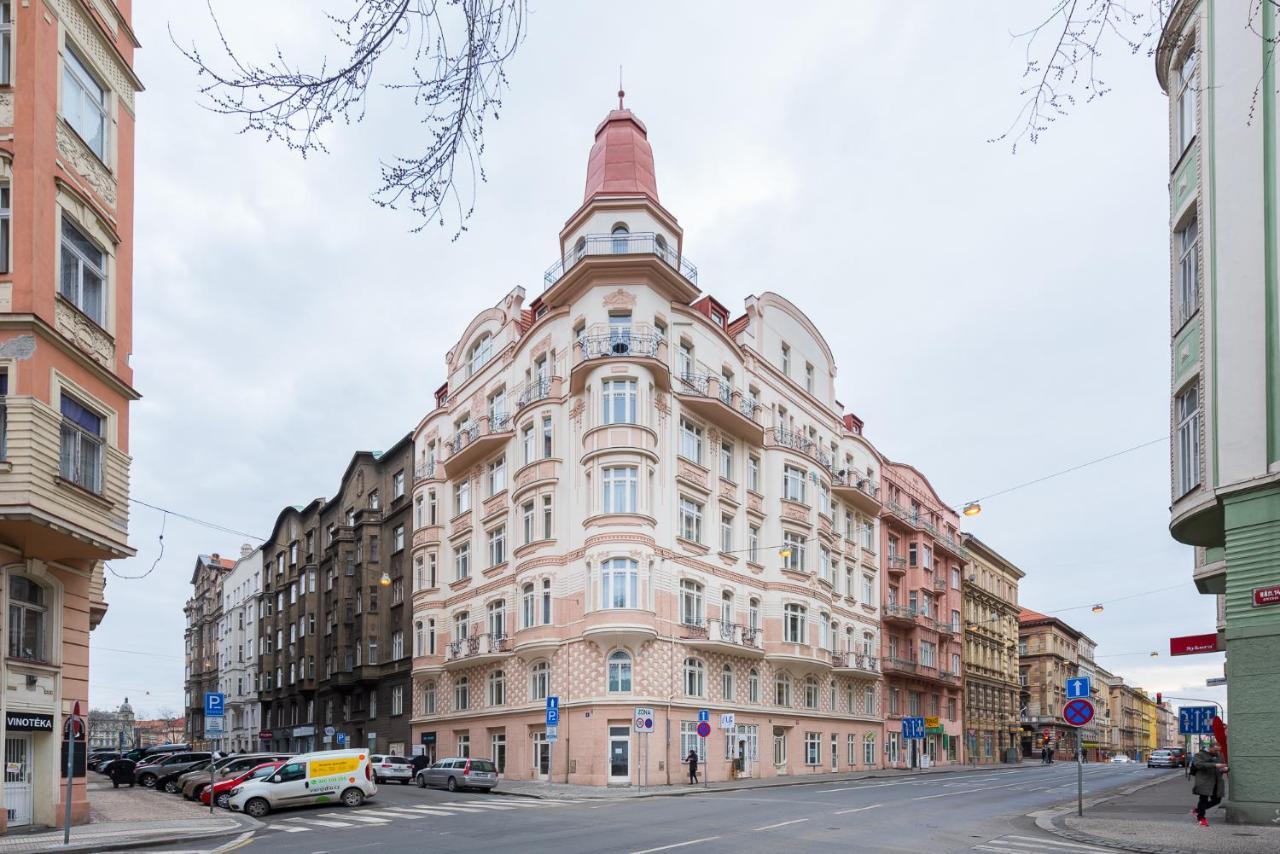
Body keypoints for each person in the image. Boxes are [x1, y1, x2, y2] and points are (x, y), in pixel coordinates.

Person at [1191, 747, 1226, 826]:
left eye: (1219, 750)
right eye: (1215, 750)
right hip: (1204, 780)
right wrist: (1215, 765)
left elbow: (1221, 766)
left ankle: (1197, 810)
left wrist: (1225, 769)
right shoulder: (1200, 755)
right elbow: (1198, 764)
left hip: (1217, 781)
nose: (1217, 751)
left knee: (1217, 800)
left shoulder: (1218, 755)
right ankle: (1201, 818)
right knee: (1203, 799)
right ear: (1210, 748)